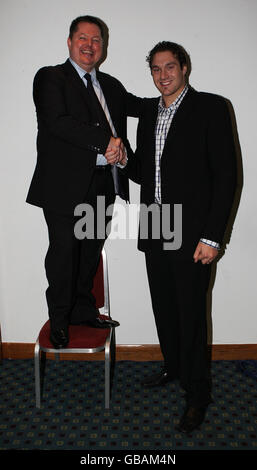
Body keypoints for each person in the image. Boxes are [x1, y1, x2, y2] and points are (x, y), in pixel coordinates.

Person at [126, 41, 237, 433]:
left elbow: (226, 176)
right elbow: (147, 171)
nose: (163, 75)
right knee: (165, 306)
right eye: (155, 69)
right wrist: (125, 160)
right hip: (156, 224)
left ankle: (198, 393)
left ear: (185, 67)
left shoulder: (211, 107)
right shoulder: (148, 115)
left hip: (193, 233)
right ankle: (174, 368)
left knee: (191, 314)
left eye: (169, 66)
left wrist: (212, 236)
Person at [26, 15, 139, 349]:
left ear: (103, 47)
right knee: (64, 255)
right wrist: (104, 141)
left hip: (103, 185)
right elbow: (58, 122)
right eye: (83, 38)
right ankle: (60, 320)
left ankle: (82, 310)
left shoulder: (113, 87)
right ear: (70, 41)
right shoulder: (51, 78)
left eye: (97, 40)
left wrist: (174, 95)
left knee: (90, 253)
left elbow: (141, 108)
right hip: (63, 188)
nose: (90, 45)